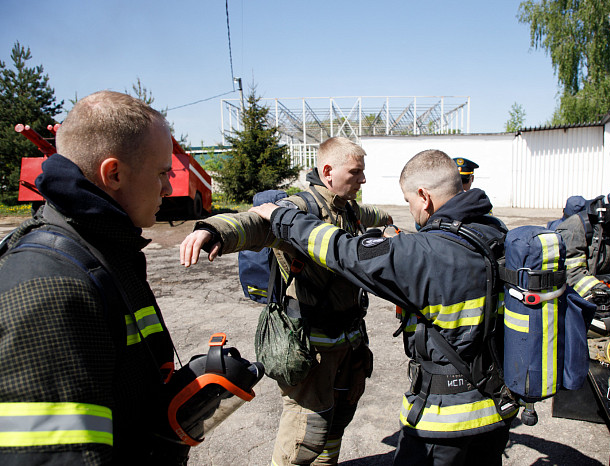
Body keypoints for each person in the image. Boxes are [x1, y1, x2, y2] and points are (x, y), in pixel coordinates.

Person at [251, 149, 515, 465]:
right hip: (498, 408)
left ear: (424, 197)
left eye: (409, 202)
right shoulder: (494, 231)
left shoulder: (421, 252)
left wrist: (285, 218)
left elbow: (343, 251)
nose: (411, 210)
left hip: (445, 421)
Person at [0, 91, 189, 463]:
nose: (168, 188)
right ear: (114, 174)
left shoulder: (102, 247)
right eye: (162, 173)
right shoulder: (54, 285)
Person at [179, 136, 393, 465]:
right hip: (312, 350)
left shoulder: (349, 210)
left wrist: (393, 226)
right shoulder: (296, 211)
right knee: (306, 434)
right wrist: (213, 230)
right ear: (328, 172)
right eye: (355, 172)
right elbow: (252, 222)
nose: (362, 179)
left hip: (349, 344)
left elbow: (377, 215)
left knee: (337, 422)